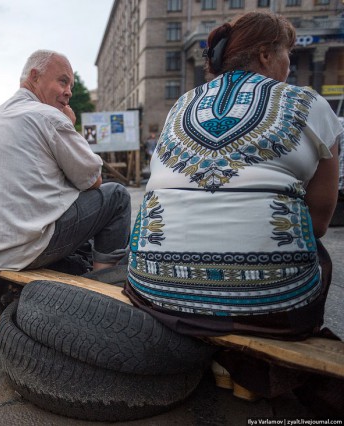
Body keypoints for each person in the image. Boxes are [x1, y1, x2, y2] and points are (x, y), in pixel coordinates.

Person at [124, 12, 341, 401]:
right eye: (286, 53)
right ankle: (252, 367)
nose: (290, 64)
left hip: (153, 288)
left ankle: (212, 348)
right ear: (264, 55)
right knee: (315, 252)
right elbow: (321, 220)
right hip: (272, 305)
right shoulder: (308, 102)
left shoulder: (181, 104)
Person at [0, 49, 132, 278]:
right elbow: (92, 179)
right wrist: (69, 124)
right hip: (18, 250)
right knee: (116, 195)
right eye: (63, 81)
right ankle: (104, 282)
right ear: (35, 77)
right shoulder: (47, 116)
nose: (68, 92)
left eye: (70, 85)